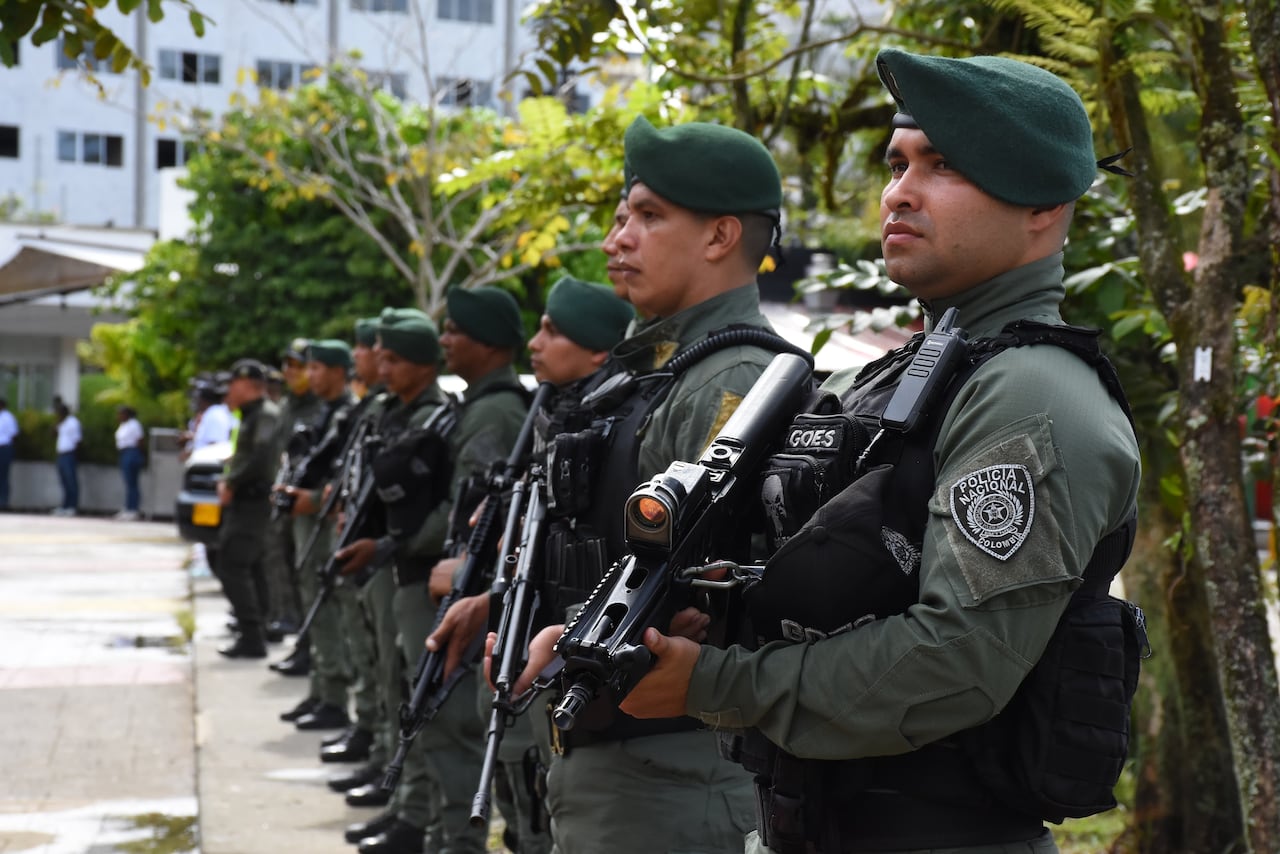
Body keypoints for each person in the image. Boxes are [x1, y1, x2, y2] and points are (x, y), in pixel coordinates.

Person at [616, 49, 1143, 853]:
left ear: (1043, 204)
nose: (900, 192)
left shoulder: (1033, 395)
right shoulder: (884, 380)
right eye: (898, 164)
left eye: (944, 165)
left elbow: (956, 661)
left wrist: (718, 683)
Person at [502, 115, 800, 854]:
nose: (617, 241)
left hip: (670, 775)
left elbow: (699, 599)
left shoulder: (735, 381)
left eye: (647, 216)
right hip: (627, 759)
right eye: (622, 217)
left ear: (719, 236)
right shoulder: (665, 372)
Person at [428, 275, 633, 854]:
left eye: (552, 331)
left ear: (597, 351)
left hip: (569, 657)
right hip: (526, 636)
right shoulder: (554, 415)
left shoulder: (608, 427)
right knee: (522, 807)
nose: (535, 344)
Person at [277, 339, 359, 731]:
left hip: (327, 524)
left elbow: (338, 482)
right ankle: (322, 689)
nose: (309, 375)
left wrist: (308, 499)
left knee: (329, 608)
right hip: (308, 521)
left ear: (339, 372)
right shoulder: (323, 411)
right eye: (307, 367)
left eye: (317, 368)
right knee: (314, 604)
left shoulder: (348, 413)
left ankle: (335, 697)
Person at [215, 359, 283, 659]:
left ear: (246, 384)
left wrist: (232, 482)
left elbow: (261, 457)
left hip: (253, 501)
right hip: (248, 500)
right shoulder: (253, 413)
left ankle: (253, 635)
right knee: (251, 566)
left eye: (233, 383)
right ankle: (258, 630)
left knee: (231, 563)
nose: (229, 390)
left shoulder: (265, 414)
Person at [114, 405, 145, 521]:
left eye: (121, 414)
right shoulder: (123, 425)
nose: (119, 416)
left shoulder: (134, 424)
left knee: (132, 482)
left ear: (127, 414)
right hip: (124, 453)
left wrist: (140, 456)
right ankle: (128, 508)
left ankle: (133, 509)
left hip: (132, 453)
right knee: (128, 482)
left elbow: (140, 440)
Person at [52, 400, 81, 517]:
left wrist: (76, 456)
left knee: (71, 481)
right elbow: (53, 434)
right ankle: (65, 506)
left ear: (64, 412)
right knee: (64, 482)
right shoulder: (62, 423)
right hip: (61, 455)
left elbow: (77, 441)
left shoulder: (73, 422)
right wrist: (57, 422)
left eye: (58, 412)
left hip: (69, 455)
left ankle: (72, 506)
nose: (57, 414)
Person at [0, 397, 17, 511]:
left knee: (3, 476)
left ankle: (3, 501)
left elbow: (13, 434)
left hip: (4, 448)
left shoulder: (8, 417)